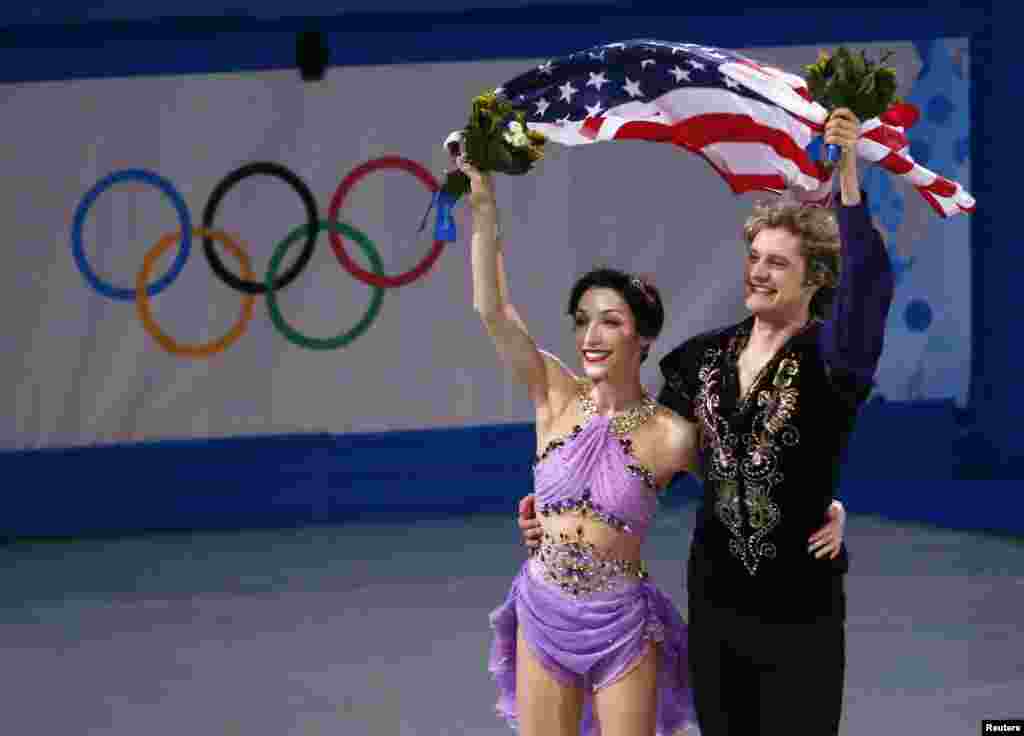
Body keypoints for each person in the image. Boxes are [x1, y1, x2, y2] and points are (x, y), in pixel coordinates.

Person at [518, 107, 886, 735]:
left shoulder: (833, 360)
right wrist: (556, 510)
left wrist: (847, 176)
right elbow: (639, 438)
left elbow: (869, 287)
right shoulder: (698, 360)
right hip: (717, 600)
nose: (758, 272)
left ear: (816, 280)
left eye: (778, 263)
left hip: (802, 602)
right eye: (755, 257)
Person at [458, 153, 701, 736]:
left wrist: (826, 506)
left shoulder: (671, 434)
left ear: (642, 336)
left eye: (610, 321)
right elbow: (492, 311)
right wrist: (485, 206)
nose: (590, 336)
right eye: (582, 320)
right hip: (543, 612)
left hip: (622, 624)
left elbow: (748, 485)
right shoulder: (554, 395)